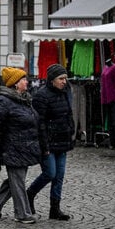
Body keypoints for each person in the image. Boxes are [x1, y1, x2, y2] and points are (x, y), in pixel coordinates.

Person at [0, 67, 45, 225]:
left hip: (25, 147)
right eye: (23, 79)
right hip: (12, 147)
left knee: (17, 179)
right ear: (15, 84)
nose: (27, 82)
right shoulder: (4, 101)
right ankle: (22, 213)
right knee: (18, 180)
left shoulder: (24, 99)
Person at [27, 64, 75, 220]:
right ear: (52, 80)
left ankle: (55, 209)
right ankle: (30, 194)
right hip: (47, 142)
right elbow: (38, 123)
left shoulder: (65, 92)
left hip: (63, 140)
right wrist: (44, 145)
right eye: (61, 79)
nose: (64, 82)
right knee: (50, 173)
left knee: (59, 176)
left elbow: (68, 114)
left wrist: (71, 131)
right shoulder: (41, 96)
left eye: (65, 78)